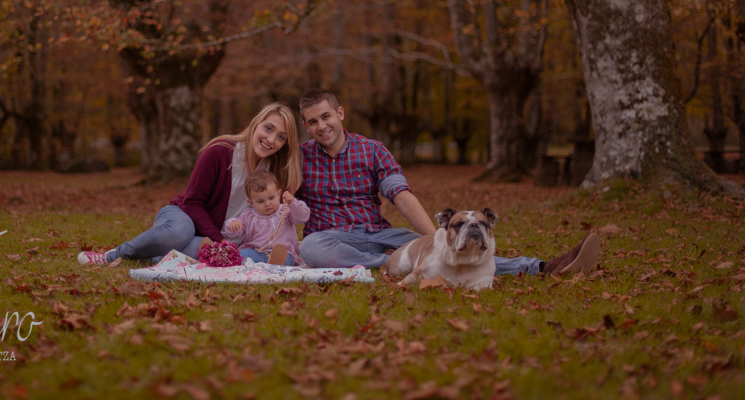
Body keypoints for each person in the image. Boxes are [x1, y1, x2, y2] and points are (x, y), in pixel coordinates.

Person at [296, 89, 601, 276]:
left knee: (458, 251)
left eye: (326, 116)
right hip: (331, 240)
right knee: (310, 247)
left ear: (340, 113)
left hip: (381, 234)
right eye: (312, 121)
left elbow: (400, 195)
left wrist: (438, 240)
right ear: (306, 126)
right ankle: (390, 265)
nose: (322, 126)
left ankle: (544, 267)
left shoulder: (373, 149)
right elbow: (268, 192)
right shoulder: (298, 158)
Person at [78, 103, 302, 266]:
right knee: (180, 232)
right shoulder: (221, 151)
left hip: (214, 238)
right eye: (269, 128)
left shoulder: (273, 171)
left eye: (281, 137)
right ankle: (113, 255)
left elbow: (282, 214)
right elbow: (193, 203)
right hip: (183, 216)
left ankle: (154, 254)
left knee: (199, 251)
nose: (271, 140)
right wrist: (220, 242)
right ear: (256, 124)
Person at [222, 170, 310, 266]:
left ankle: (276, 264)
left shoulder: (285, 211)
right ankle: (251, 264)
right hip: (256, 251)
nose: (267, 204)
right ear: (251, 203)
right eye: (260, 201)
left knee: (285, 258)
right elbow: (235, 233)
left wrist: (293, 203)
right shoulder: (248, 215)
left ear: (279, 194)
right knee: (238, 255)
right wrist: (233, 224)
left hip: (282, 252)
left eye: (271, 198)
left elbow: (302, 217)